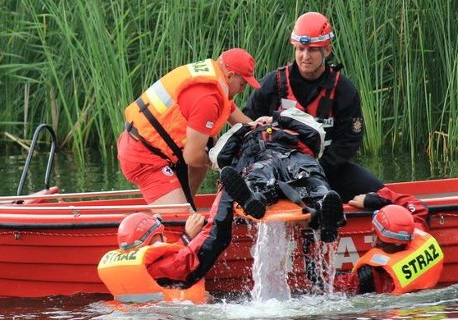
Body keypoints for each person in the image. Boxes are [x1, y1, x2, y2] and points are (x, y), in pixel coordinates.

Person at [242, 12, 384, 203]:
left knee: (380, 194)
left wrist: (315, 169)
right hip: (278, 170)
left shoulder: (343, 90)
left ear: (327, 51)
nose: (305, 56)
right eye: (300, 49)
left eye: (312, 50)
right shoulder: (273, 83)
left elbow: (349, 140)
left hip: (325, 167)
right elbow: (247, 125)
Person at [118, 48, 260, 211]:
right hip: (144, 158)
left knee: (206, 145)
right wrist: (216, 162)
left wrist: (260, 126)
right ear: (230, 76)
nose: (242, 90)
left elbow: (241, 121)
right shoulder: (207, 99)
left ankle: (188, 204)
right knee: (182, 223)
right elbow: (192, 157)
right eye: (242, 84)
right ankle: (185, 215)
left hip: (149, 146)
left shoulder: (215, 81)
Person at [209, 108, 344, 242]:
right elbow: (219, 157)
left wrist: (277, 118)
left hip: (295, 156)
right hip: (260, 159)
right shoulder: (246, 135)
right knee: (257, 174)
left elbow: (316, 133)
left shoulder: (291, 127)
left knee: (310, 175)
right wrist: (243, 129)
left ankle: (324, 206)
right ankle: (254, 198)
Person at [97, 196, 235, 303]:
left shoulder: (127, 269)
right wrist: (224, 192)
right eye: (162, 235)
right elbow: (213, 235)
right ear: (155, 236)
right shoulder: (166, 268)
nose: (167, 239)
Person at [346, 205, 443, 294]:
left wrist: (378, 198)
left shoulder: (368, 271)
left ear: (377, 237)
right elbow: (417, 206)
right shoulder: (419, 236)